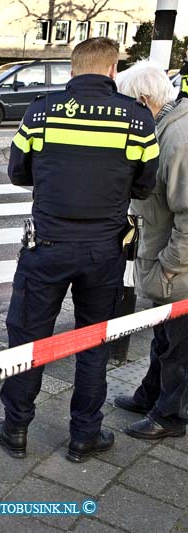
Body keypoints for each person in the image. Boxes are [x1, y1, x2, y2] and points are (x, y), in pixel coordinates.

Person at [0, 37, 159, 463]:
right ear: (113, 70)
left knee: (28, 339)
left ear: (71, 69)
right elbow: (145, 184)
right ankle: (85, 434)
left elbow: (17, 172)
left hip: (46, 245)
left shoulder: (42, 111)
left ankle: (15, 429)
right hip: (103, 252)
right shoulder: (137, 120)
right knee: (92, 341)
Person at [115, 62, 188, 440]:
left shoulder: (178, 138)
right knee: (165, 337)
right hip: (162, 259)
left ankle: (170, 415)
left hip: (178, 269)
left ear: (144, 100)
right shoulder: (164, 127)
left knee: (179, 345)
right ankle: (151, 395)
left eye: (126, 104)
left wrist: (171, 268)